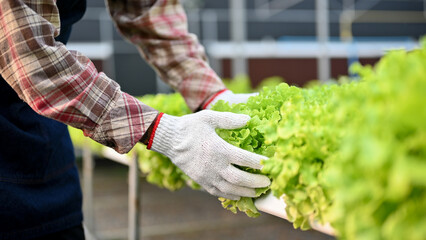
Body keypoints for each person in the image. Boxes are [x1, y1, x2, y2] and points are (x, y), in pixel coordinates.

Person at [0, 0, 270, 239]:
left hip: (41, 127)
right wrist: (164, 132)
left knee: (58, 219)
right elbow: (30, 56)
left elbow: (146, 9)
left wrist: (212, 94)